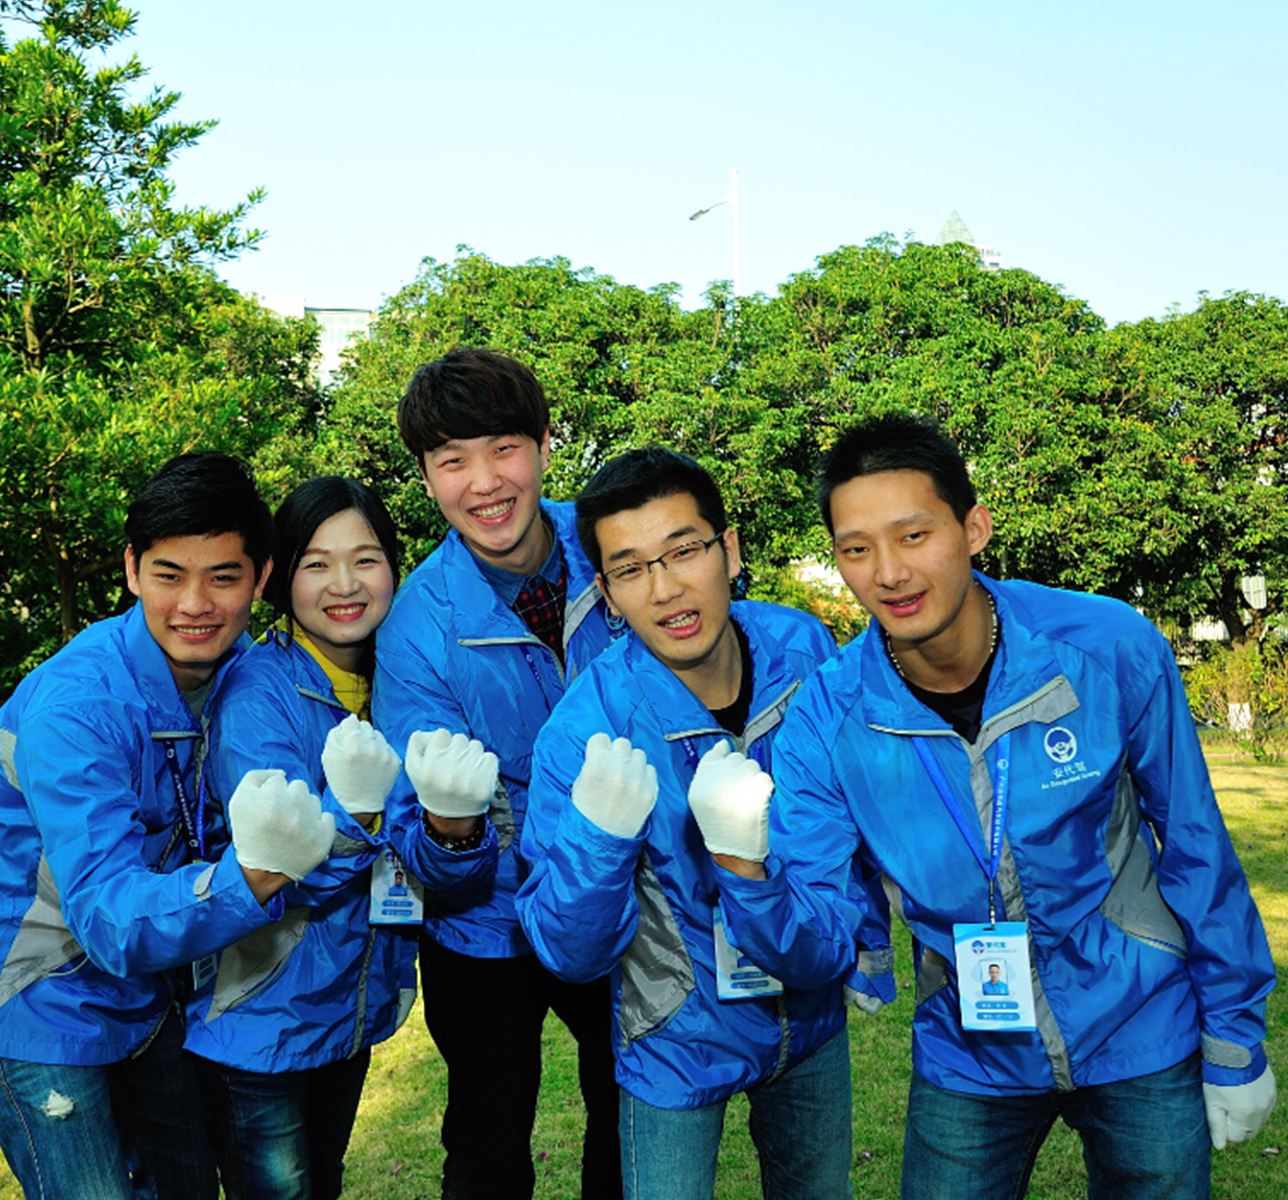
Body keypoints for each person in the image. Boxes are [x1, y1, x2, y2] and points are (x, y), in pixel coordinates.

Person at [712, 413, 1278, 1200]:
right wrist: (744, 868)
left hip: (1141, 1024)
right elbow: (818, 937)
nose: (889, 573)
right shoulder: (826, 719)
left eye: (914, 536)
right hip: (968, 1048)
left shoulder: (1106, 646)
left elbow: (1194, 844)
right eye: (856, 549)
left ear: (973, 528)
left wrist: (1235, 1039)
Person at [0, 452, 339, 1200]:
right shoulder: (78, 707)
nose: (195, 603)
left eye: (223, 577)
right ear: (131, 570)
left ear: (261, 578)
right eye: (169, 574)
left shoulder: (247, 674)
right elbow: (107, 916)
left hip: (148, 994)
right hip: (35, 1001)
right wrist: (255, 875)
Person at [516, 448, 892, 1200]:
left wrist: (868, 941)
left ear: (730, 550)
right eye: (630, 569)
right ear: (606, 593)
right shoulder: (584, 731)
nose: (665, 589)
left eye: (683, 551)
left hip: (809, 1009)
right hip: (674, 1037)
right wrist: (598, 837)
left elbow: (850, 827)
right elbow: (568, 954)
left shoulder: (804, 653)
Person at [375, 348, 623, 1199]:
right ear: (425, 477)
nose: (484, 482)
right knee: (486, 1146)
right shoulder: (417, 625)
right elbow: (423, 844)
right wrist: (453, 829)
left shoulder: (616, 548)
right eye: (452, 460)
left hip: (615, 897)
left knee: (630, 1119)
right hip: (483, 925)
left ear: (548, 443)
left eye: (504, 448)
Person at [185, 476, 420, 1200]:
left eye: (365, 559)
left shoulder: (402, 681)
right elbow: (282, 864)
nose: (344, 585)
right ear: (280, 577)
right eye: (317, 564)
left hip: (345, 1011)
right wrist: (358, 811)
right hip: (262, 1021)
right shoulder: (259, 694)